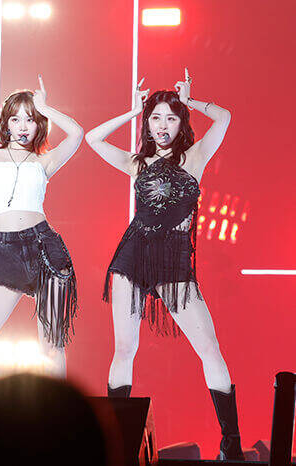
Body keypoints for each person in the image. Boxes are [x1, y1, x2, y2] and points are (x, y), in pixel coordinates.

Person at [85, 70, 243, 460]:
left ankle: (232, 445)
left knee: (209, 348)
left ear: (180, 123)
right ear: (148, 123)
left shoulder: (195, 156)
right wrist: (132, 110)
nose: (162, 125)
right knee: (125, 349)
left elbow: (224, 117)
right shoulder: (137, 163)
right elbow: (92, 139)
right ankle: (116, 446)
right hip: (132, 257)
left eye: (170, 118)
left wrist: (190, 101)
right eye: (155, 117)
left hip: (173, 261)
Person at [0, 76, 84, 407]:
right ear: (6, 123)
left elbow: (77, 133)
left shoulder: (44, 160)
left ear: (39, 123)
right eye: (16, 119)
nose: (23, 126)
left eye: (30, 119)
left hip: (46, 250)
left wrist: (45, 106)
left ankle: (57, 426)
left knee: (51, 346)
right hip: (6, 253)